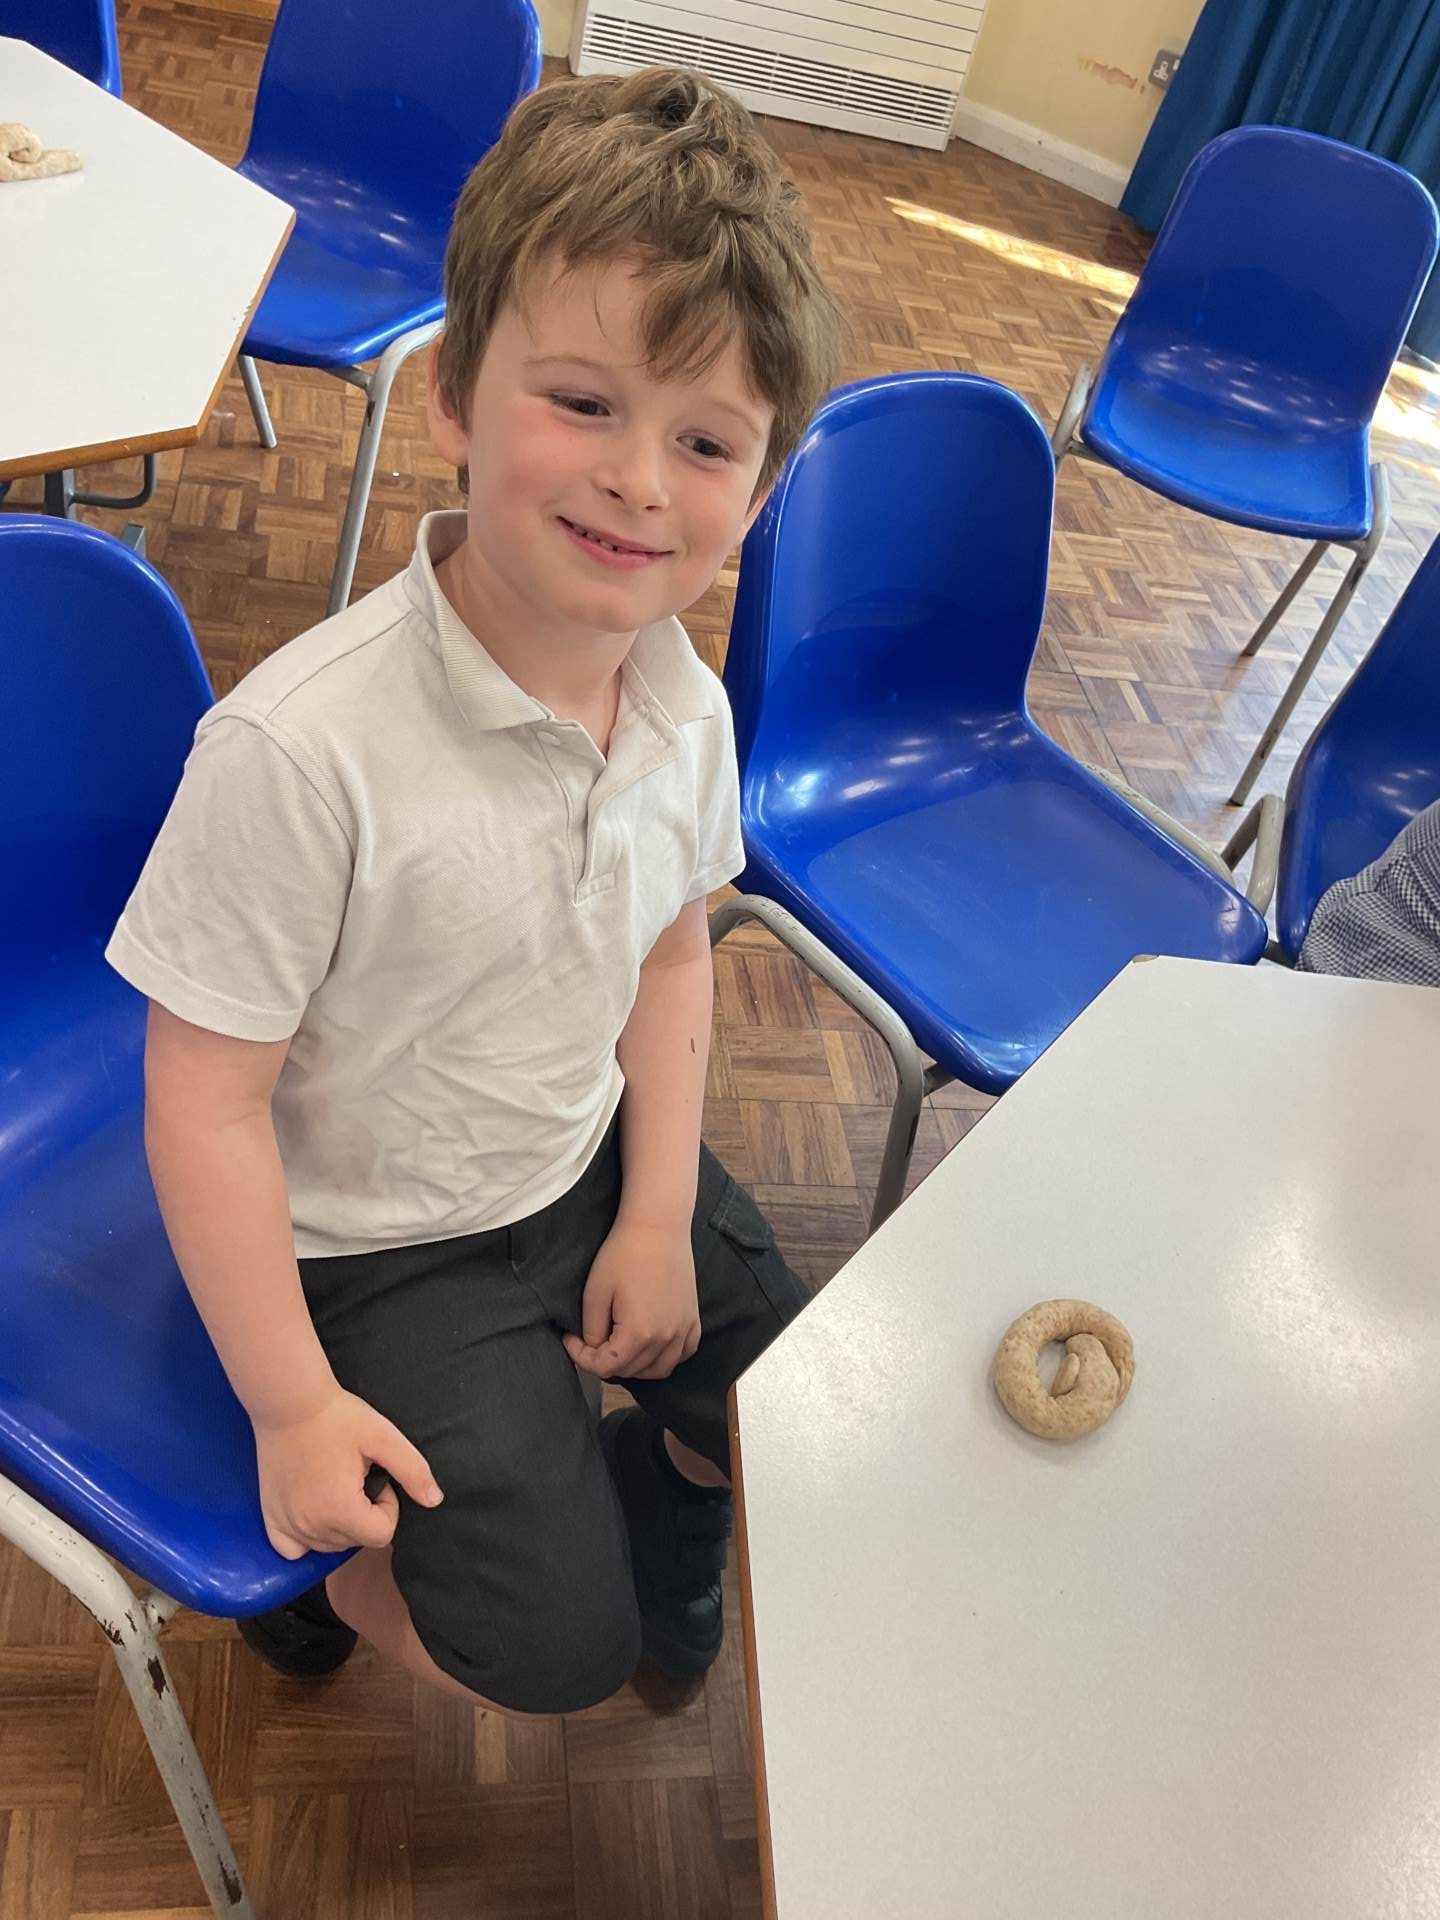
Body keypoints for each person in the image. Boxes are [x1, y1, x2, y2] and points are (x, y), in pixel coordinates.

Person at [106, 66, 844, 1715]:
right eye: (582, 402)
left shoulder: (686, 705)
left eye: (705, 441)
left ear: (759, 490)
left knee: (801, 1407)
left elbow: (670, 959)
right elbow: (203, 1103)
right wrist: (293, 1405)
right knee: (558, 1656)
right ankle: (314, 1585)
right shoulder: (300, 752)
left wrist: (652, 1213)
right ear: (450, 391)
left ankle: (659, 1498)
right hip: (376, 1249)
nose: (640, 480)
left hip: (576, 1163)